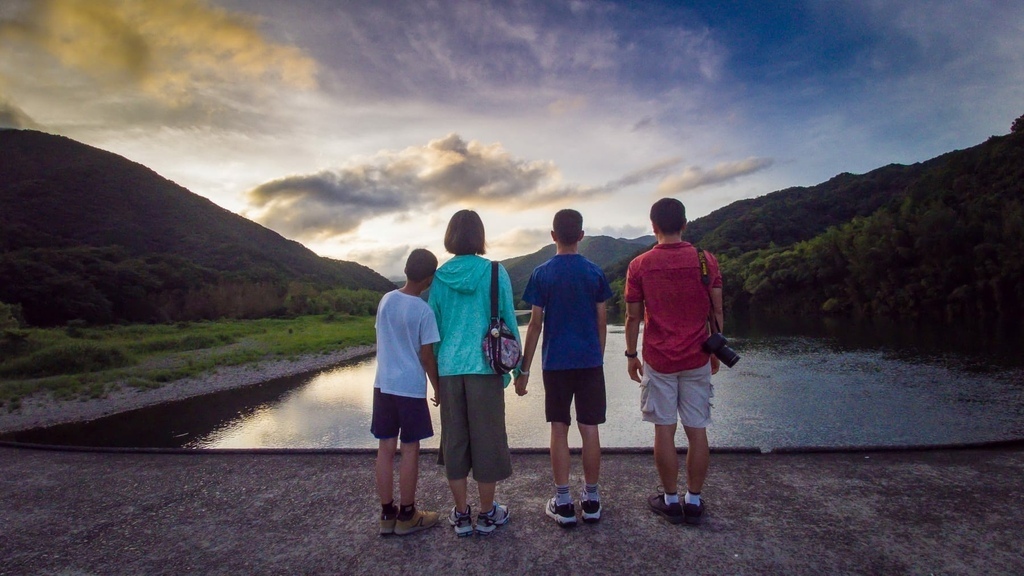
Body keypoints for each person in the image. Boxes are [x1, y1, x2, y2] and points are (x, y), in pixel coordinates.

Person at [624, 197, 724, 526]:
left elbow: (633, 317)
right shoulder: (706, 260)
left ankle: (669, 500)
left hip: (658, 359)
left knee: (664, 431)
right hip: (698, 356)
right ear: (684, 224)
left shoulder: (640, 265)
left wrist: (631, 355)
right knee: (697, 430)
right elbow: (717, 310)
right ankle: (693, 501)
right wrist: (716, 349)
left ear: (653, 226)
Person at [515, 209, 612, 528]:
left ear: (553, 235)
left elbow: (534, 325)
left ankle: (564, 502)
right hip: (589, 362)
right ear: (581, 236)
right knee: (590, 428)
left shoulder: (542, 273)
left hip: (555, 362)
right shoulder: (594, 272)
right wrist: (597, 357)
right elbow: (601, 321)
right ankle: (592, 500)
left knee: (559, 427)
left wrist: (524, 370)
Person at [428, 209, 519, 537]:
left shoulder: (439, 278)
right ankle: (487, 514)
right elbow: (509, 319)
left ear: (450, 237)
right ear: (479, 236)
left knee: (454, 442)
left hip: (450, 370)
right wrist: (518, 368)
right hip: (486, 368)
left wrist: (436, 380)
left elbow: (434, 331)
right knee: (487, 440)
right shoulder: (494, 271)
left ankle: (462, 515)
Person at [372, 248, 442, 536]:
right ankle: (408, 515)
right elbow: (427, 357)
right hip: (410, 388)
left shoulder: (386, 300)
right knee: (410, 448)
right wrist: (438, 388)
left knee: (386, 448)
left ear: (406, 270)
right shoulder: (424, 311)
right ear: (429, 279)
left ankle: (387, 515)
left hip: (382, 385)